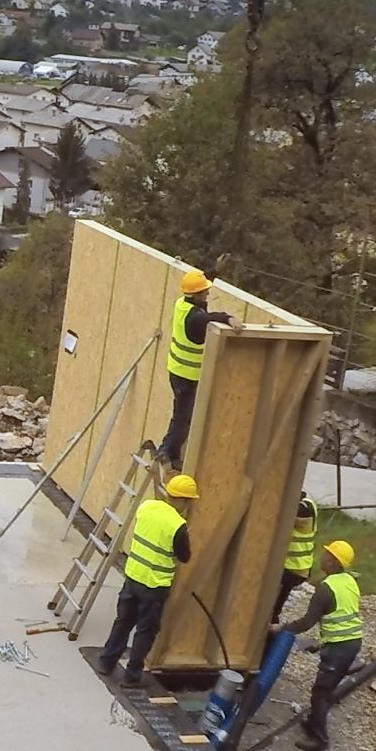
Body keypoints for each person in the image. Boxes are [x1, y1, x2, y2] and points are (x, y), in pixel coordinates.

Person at [97, 473, 198, 687]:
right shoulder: (178, 525)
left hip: (133, 576)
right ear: (183, 500)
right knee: (145, 631)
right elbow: (184, 556)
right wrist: (186, 536)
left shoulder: (147, 507)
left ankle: (106, 663)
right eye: (189, 501)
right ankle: (131, 677)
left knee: (123, 622)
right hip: (154, 586)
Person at [278, 539, 365, 751]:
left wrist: (280, 629)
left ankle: (320, 739)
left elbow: (307, 622)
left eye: (327, 554)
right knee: (327, 688)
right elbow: (341, 615)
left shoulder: (326, 589)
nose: (322, 556)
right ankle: (313, 721)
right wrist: (321, 643)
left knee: (321, 691)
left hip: (340, 648)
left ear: (334, 562)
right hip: (352, 643)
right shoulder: (349, 581)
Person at [159, 270, 234, 469]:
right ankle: (168, 452)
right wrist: (228, 318)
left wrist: (214, 272)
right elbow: (209, 318)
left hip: (176, 370)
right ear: (197, 294)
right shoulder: (195, 318)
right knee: (183, 418)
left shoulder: (182, 304)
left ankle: (167, 449)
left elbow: (196, 283)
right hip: (187, 375)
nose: (207, 294)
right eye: (205, 291)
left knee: (180, 414)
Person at [274, 496, 318, 619]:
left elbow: (283, 512)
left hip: (295, 568)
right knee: (277, 601)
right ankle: (272, 625)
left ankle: (271, 627)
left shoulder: (305, 509)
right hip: (299, 568)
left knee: (274, 604)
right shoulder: (309, 505)